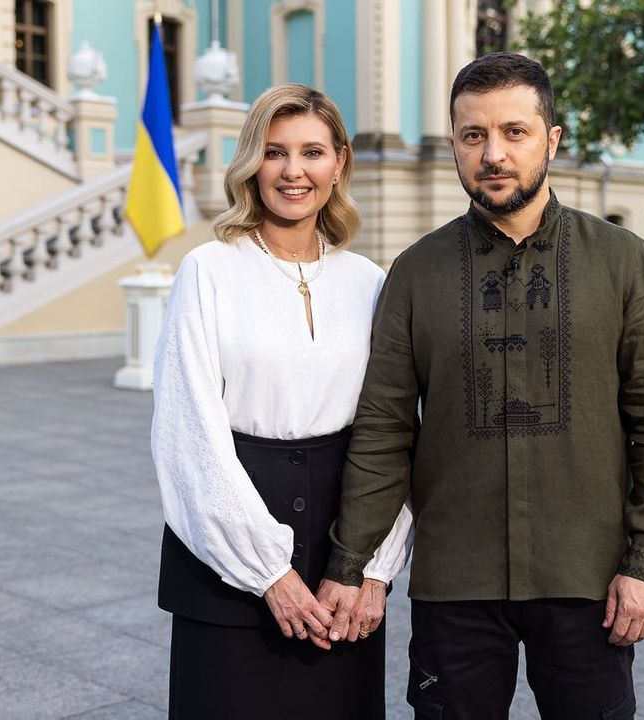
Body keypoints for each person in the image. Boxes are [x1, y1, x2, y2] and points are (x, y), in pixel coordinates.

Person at [318, 52, 644, 720]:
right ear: (454, 144)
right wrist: (350, 563)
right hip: (455, 582)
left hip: (588, 577)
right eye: (473, 135)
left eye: (514, 132)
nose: (493, 154)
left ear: (552, 140)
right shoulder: (416, 273)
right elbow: (384, 430)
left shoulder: (622, 261)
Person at [151, 83, 414, 720]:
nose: (294, 171)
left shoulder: (370, 282)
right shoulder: (208, 271)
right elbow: (188, 433)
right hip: (227, 559)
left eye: (312, 152)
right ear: (252, 163)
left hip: (342, 565)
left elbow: (395, 432)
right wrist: (267, 570)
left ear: (339, 163)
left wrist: (375, 567)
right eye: (275, 152)